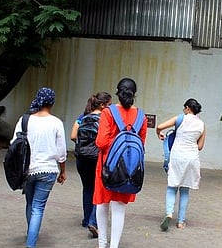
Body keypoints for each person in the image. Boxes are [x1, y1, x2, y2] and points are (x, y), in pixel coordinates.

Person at [94, 78, 147, 248]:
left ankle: (102, 244)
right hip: (129, 170)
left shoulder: (108, 113)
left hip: (106, 167)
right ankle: (114, 246)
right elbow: (141, 144)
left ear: (117, 92)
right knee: (119, 209)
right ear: (134, 94)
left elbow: (101, 142)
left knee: (102, 205)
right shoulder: (141, 116)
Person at [11, 87, 67, 248]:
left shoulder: (24, 120)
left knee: (30, 204)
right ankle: (31, 243)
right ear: (52, 103)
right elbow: (61, 152)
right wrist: (63, 171)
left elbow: (13, 144)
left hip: (27, 170)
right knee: (38, 207)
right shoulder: (56, 122)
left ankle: (31, 234)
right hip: (48, 171)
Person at [156, 98, 206, 231]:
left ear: (188, 108)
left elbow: (160, 126)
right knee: (185, 189)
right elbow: (200, 146)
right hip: (192, 157)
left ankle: (168, 213)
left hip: (178, 155)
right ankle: (181, 222)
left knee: (172, 186)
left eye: (184, 108)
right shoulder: (202, 124)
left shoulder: (180, 118)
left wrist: (159, 134)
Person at [70, 92, 112, 238]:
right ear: (102, 105)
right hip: (96, 158)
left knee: (87, 189)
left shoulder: (83, 117)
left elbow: (73, 136)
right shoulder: (105, 119)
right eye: (109, 105)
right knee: (98, 190)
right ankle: (93, 222)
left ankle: (86, 219)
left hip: (81, 159)